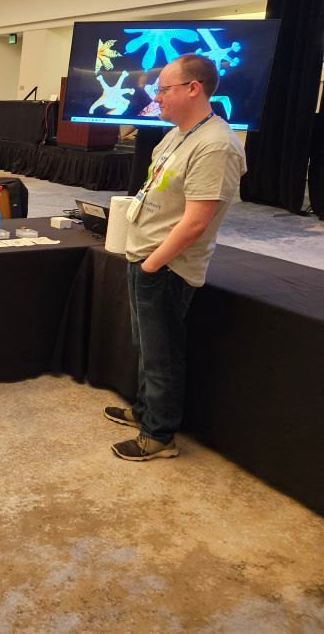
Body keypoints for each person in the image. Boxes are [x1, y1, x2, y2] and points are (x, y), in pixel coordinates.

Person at [106, 54, 246, 461]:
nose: (157, 96)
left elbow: (196, 221)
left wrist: (153, 263)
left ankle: (159, 435)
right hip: (147, 256)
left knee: (162, 351)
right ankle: (146, 411)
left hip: (167, 265)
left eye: (164, 88)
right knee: (148, 347)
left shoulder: (216, 145)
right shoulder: (177, 134)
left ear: (193, 88)